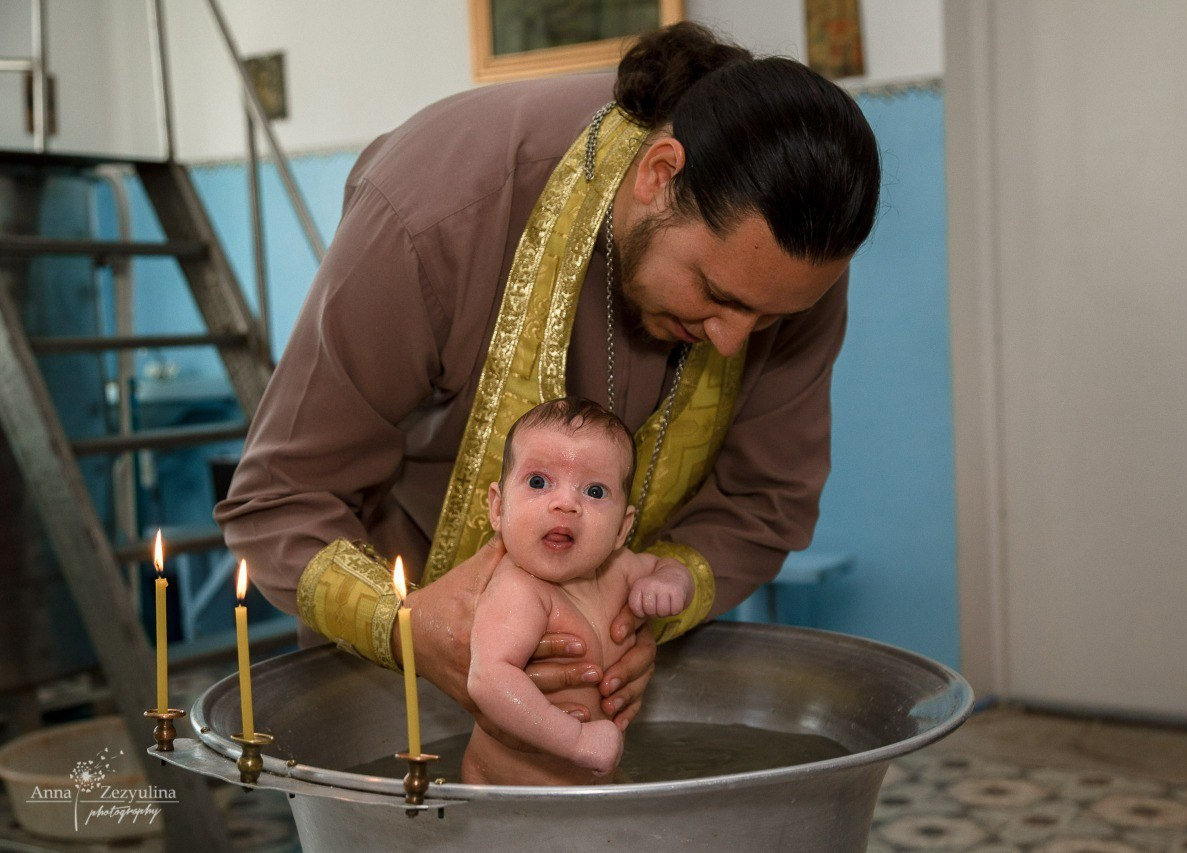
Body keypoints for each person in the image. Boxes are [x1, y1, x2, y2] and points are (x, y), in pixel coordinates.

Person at [214, 21, 880, 750]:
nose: (733, 340)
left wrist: (642, 605)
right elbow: (278, 500)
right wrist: (407, 625)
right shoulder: (432, 212)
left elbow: (763, 500)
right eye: (714, 294)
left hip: (606, 683)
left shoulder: (782, 270)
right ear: (659, 174)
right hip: (401, 673)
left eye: (766, 317)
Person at [463, 397, 692, 785]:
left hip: (594, 778)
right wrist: (576, 740)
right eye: (539, 482)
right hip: (511, 794)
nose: (566, 503)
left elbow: (667, 566)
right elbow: (489, 680)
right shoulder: (520, 589)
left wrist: (669, 582)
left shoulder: (619, 569)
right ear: (498, 509)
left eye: (595, 492)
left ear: (622, 527)